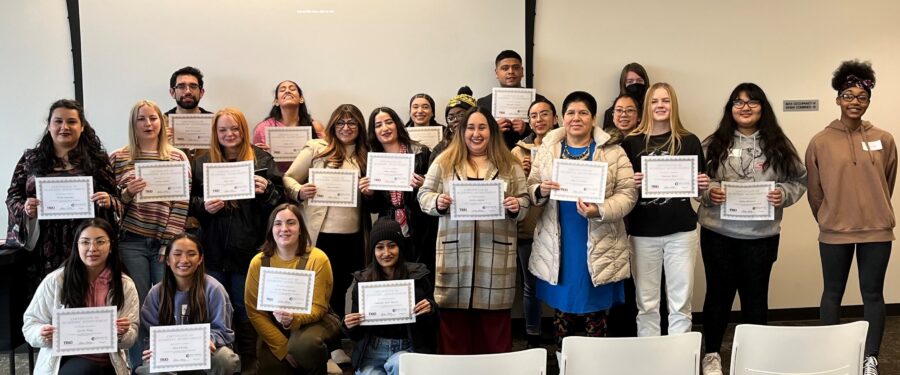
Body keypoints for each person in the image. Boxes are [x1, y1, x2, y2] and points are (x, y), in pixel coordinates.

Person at [698, 83, 807, 375]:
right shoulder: (713, 143)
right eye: (738, 102)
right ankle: (711, 355)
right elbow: (696, 181)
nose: (745, 107)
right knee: (718, 296)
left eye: (752, 102)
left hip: (761, 237)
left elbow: (800, 180)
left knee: (756, 297)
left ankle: (755, 355)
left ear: (763, 108)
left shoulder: (779, 145)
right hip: (718, 234)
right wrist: (710, 192)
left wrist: (783, 194)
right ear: (730, 108)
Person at [528, 91, 636, 354]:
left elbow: (628, 194)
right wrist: (540, 190)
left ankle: (593, 364)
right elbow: (530, 186)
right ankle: (564, 361)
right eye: (571, 113)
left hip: (599, 239)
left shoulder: (613, 152)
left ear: (594, 118)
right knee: (562, 309)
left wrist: (600, 209)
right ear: (562, 118)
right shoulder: (547, 149)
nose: (576, 118)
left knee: (595, 310)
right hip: (559, 241)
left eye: (583, 113)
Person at [806, 60, 895, 375]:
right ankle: (832, 356)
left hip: (877, 231)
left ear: (868, 100)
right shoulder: (820, 141)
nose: (854, 101)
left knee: (873, 293)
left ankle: (870, 358)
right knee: (833, 292)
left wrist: (875, 209)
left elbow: (887, 181)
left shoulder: (884, 139)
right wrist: (830, 217)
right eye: (848, 95)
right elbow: (814, 191)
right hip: (834, 231)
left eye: (861, 96)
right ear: (837, 98)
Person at [417, 106, 529, 354]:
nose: (476, 133)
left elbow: (525, 201)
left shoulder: (510, 164)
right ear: (461, 131)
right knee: (454, 330)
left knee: (494, 332)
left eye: (482, 127)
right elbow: (423, 195)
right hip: (455, 255)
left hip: (496, 255)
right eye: (470, 127)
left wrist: (515, 205)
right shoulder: (444, 162)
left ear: (492, 131)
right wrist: (438, 202)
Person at [190, 107, 283, 373]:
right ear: (215, 133)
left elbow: (279, 206)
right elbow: (188, 204)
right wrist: (202, 207)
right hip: (213, 250)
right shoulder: (202, 163)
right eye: (223, 130)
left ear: (243, 130)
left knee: (246, 311)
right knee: (216, 309)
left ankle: (250, 364)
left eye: (235, 128)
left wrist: (267, 192)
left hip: (249, 251)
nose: (230, 134)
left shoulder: (262, 159)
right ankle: (223, 362)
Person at [6, 99, 122, 290]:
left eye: (71, 122)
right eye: (58, 121)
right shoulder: (31, 159)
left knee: (84, 294)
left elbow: (116, 199)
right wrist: (25, 208)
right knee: (46, 296)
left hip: (85, 242)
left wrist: (108, 201)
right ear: (49, 125)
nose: (64, 127)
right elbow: (13, 197)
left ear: (82, 126)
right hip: (42, 246)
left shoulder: (97, 161)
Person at [621, 82, 709, 337]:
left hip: (681, 232)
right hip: (642, 233)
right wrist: (632, 183)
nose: (660, 106)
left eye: (666, 101)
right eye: (655, 101)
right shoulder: (632, 143)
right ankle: (651, 360)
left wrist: (702, 185)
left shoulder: (689, 141)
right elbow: (622, 190)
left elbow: (697, 193)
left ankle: (679, 361)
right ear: (647, 106)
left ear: (674, 105)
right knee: (646, 304)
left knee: (680, 304)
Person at [109, 99, 191, 369]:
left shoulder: (177, 157)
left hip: (165, 246)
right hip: (130, 242)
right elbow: (113, 207)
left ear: (162, 122)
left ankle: (168, 364)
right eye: (141, 119)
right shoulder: (119, 158)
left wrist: (169, 243)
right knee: (139, 307)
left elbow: (181, 204)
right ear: (133, 124)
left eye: (153, 118)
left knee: (167, 304)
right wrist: (127, 193)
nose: (148, 124)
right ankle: (139, 367)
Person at [284, 104, 371, 320]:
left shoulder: (366, 156)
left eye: (352, 122)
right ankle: (315, 337)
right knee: (316, 288)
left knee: (342, 288)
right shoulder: (316, 148)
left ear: (360, 127)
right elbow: (288, 178)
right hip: (320, 234)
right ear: (333, 125)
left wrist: (369, 192)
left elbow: (374, 198)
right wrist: (299, 191)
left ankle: (336, 337)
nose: (346, 127)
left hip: (353, 236)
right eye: (340, 122)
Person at [22, 218, 139, 375]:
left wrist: (122, 333)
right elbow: (30, 324)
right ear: (76, 246)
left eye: (100, 242)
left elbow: (131, 335)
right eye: (85, 242)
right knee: (85, 369)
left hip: (109, 362)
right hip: (65, 361)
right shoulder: (56, 281)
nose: (92, 248)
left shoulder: (124, 284)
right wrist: (42, 333)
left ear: (111, 246)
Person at [244, 203, 342, 375]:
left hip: (315, 322)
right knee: (271, 368)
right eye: (278, 223)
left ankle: (321, 363)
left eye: (291, 223)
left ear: (301, 229)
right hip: (275, 325)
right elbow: (254, 312)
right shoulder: (258, 262)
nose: (284, 229)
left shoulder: (318, 258)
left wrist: (293, 319)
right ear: (270, 230)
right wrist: (282, 348)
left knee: (304, 346)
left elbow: (319, 307)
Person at [342, 217, 437, 375]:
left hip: (408, 346)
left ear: (400, 247)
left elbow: (433, 324)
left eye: (392, 246)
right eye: (380, 247)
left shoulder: (418, 275)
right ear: (373, 251)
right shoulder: (362, 280)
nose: (386, 253)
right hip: (372, 350)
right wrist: (348, 325)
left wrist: (431, 308)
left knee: (399, 365)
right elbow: (357, 335)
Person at [136, 233, 241, 375]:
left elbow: (223, 331)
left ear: (200, 259)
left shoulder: (214, 289)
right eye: (177, 254)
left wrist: (208, 341)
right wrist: (154, 349)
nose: (184, 260)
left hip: (205, 353)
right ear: (167, 260)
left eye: (191, 254)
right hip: (169, 356)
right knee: (150, 369)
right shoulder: (156, 293)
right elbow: (149, 333)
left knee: (225, 359)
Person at [509, 97, 558, 347]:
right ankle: (533, 334)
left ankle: (563, 333)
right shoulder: (517, 151)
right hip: (528, 228)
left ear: (555, 118)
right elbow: (510, 190)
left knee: (561, 281)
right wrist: (524, 174)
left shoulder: (565, 148)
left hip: (560, 226)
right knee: (530, 286)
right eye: (534, 115)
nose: (539, 119)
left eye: (544, 114)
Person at [363, 107, 437, 271]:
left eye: (389, 122)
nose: (385, 128)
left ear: (397, 125)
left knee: (421, 272)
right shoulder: (373, 159)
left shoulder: (421, 152)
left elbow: (436, 190)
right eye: (378, 125)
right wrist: (369, 194)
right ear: (373, 131)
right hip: (389, 226)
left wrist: (424, 184)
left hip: (420, 225)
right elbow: (374, 208)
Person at [476, 50, 548, 149]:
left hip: (530, 158)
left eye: (516, 68)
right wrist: (493, 130)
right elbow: (474, 134)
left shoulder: (540, 101)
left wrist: (526, 130)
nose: (511, 71)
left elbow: (553, 133)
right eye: (505, 68)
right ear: (496, 73)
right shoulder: (483, 104)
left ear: (522, 71)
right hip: (494, 157)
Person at [253, 80, 326, 172]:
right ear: (276, 101)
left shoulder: (315, 126)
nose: (287, 91)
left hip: (305, 180)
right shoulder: (262, 128)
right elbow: (258, 164)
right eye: (282, 90)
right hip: (275, 180)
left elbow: (325, 158)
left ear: (301, 99)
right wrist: (258, 153)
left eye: (292, 89)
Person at [430, 87, 477, 164]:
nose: (456, 119)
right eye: (450, 118)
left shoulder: (482, 143)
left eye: (461, 115)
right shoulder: (440, 149)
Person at [602, 62, 650, 130]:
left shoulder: (653, 110)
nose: (635, 85)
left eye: (639, 81)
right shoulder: (611, 113)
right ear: (623, 84)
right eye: (630, 81)